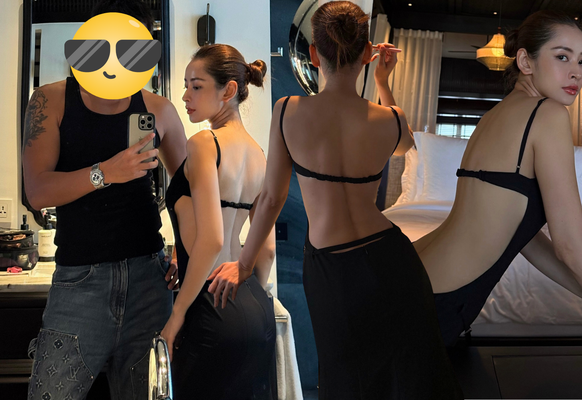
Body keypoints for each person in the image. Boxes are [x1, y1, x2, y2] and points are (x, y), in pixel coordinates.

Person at [208, 2, 463, 399]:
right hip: (391, 258)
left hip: (332, 267)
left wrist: (243, 265)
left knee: (347, 379)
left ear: (313, 54)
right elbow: (405, 145)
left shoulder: (287, 110)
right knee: (411, 377)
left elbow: (272, 198)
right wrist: (383, 81)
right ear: (367, 53)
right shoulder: (390, 119)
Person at [409, 10, 582, 347]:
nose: (576, 72)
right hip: (427, 302)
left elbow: (526, 240)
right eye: (562, 57)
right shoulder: (548, 114)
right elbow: (571, 244)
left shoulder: (494, 116)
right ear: (525, 61)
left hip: (411, 276)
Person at [22, 1, 186, 399]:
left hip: (149, 279)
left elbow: (187, 191)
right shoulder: (50, 100)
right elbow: (37, 191)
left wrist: (186, 251)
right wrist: (105, 173)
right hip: (79, 282)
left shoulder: (158, 109)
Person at [161, 43, 276, 400]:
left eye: (196, 86)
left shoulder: (204, 143)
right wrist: (246, 302)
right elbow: (267, 250)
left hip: (210, 308)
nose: (185, 96)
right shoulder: (258, 153)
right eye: (186, 85)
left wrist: (177, 315)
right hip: (256, 309)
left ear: (228, 90)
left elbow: (211, 240)